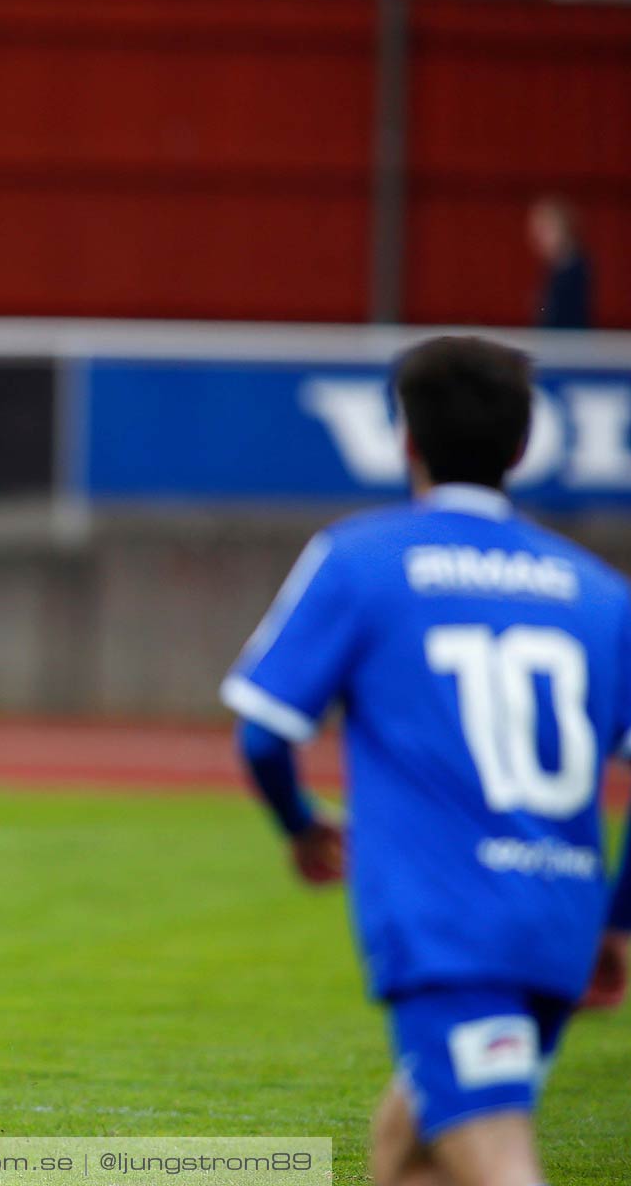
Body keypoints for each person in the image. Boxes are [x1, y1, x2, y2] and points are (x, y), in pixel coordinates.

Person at [221, 335, 630, 1186]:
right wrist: (617, 921)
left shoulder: (364, 561)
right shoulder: (600, 595)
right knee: (408, 1147)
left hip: (449, 929)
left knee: (494, 1158)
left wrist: (300, 827)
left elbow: (264, 733)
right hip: (557, 923)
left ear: (405, 438)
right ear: (523, 448)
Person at [527, 196, 592, 330]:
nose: (537, 240)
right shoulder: (556, 271)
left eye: (543, 231)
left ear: (562, 228)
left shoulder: (575, 270)